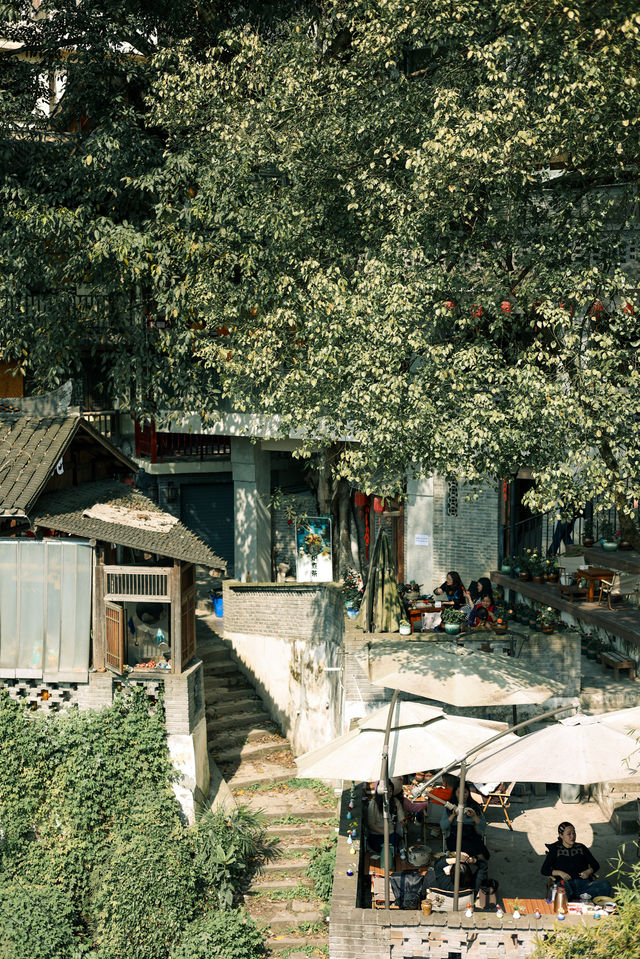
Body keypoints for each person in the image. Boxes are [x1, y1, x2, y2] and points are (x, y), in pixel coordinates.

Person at [541, 822, 612, 900]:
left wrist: (588, 871)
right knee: (562, 888)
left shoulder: (581, 848)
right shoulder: (555, 850)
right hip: (566, 885)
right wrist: (559, 873)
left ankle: (589, 904)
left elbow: (595, 865)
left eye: (574, 833)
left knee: (605, 885)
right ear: (561, 836)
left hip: (584, 886)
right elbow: (544, 870)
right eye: (569, 834)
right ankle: (570, 904)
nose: (572, 836)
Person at [440, 785, 489, 893]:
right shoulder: (450, 807)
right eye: (459, 792)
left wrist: (474, 817)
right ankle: (459, 878)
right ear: (455, 793)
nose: (462, 795)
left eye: (465, 792)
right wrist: (452, 816)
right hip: (455, 835)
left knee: (481, 855)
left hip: (471, 834)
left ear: (468, 793)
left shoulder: (474, 806)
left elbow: (483, 826)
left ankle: (480, 880)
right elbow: (443, 826)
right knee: (461, 853)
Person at [366, 780, 407, 856]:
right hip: (377, 835)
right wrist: (386, 832)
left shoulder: (395, 802)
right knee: (388, 847)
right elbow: (371, 825)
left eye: (391, 791)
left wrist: (403, 822)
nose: (389, 794)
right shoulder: (373, 803)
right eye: (387, 791)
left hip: (391, 834)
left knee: (394, 840)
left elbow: (401, 818)